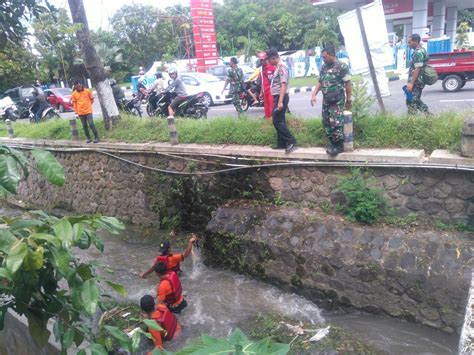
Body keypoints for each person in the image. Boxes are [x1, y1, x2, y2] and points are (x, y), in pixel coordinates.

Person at [310, 45, 351, 156]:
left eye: (325, 57)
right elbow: (320, 81)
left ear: (332, 55)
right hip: (326, 100)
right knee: (326, 122)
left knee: (336, 123)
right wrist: (314, 94)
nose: (324, 59)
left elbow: (348, 83)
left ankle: (339, 146)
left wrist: (349, 99)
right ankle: (332, 143)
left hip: (337, 101)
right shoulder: (324, 67)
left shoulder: (342, 66)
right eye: (323, 57)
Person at [267, 48, 296, 154]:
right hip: (278, 97)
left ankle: (291, 140)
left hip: (281, 97)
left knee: (276, 120)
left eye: (269, 60)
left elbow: (283, 85)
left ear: (273, 58)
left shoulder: (282, 67)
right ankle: (281, 143)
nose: (268, 62)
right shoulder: (278, 67)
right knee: (280, 120)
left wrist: (280, 102)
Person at [406, 33, 430, 115]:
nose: (408, 44)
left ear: (416, 41)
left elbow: (417, 68)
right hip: (418, 80)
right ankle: (412, 118)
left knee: (411, 99)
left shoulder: (418, 53)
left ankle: (427, 113)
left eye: (409, 42)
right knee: (413, 99)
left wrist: (411, 83)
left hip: (416, 81)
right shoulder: (422, 50)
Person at [258, 51, 275, 120]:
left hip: (271, 91)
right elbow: (262, 81)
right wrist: (261, 92)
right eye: (260, 60)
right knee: (266, 108)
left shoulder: (272, 67)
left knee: (272, 107)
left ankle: (273, 121)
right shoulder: (261, 69)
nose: (261, 62)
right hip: (265, 91)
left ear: (266, 59)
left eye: (262, 60)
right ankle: (268, 121)